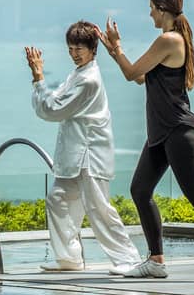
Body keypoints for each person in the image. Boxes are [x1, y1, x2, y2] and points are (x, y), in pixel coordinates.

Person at [97, 0, 194, 283]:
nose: (149, 12)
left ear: (162, 9)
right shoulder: (166, 42)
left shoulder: (169, 40)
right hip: (161, 133)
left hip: (178, 130)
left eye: (151, 7)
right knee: (140, 190)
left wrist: (117, 50)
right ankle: (155, 261)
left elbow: (130, 72)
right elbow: (139, 78)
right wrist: (116, 51)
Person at [25, 21, 143, 273]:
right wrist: (41, 84)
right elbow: (56, 102)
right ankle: (69, 259)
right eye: (70, 48)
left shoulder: (88, 80)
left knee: (99, 208)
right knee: (58, 200)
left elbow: (53, 109)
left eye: (79, 48)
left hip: (90, 153)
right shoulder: (78, 74)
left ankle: (129, 260)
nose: (74, 53)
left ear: (92, 49)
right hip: (76, 153)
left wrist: (38, 78)